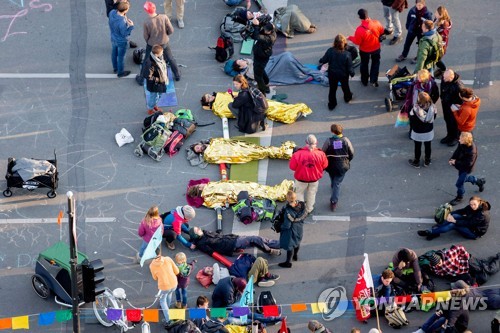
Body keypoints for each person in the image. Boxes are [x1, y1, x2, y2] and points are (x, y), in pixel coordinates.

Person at [418, 196, 490, 240]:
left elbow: (469, 224)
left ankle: (431, 232)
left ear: (479, 203)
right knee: (455, 216)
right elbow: (461, 211)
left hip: (474, 232)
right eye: (471, 204)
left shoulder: (482, 214)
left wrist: (455, 221)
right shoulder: (471, 207)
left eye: (474, 204)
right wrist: (450, 214)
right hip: (469, 222)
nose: (472, 206)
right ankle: (437, 231)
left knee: (453, 225)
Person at [289, 134, 328, 214]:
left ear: (306, 142)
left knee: (299, 193)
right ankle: (309, 209)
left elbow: (292, 167)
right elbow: (325, 165)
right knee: (311, 194)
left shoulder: (297, 154)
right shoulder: (321, 154)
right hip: (314, 179)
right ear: (316, 143)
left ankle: (301, 208)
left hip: (301, 179)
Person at [143, 1, 181, 81]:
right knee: (170, 58)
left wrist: (149, 42)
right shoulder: (164, 17)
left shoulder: (146, 22)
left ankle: (141, 78)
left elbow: (146, 36)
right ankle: (177, 75)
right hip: (164, 42)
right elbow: (171, 30)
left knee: (146, 60)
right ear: (155, 8)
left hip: (152, 44)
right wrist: (165, 35)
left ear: (146, 11)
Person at [322, 124, 354, 211]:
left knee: (333, 178)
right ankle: (333, 201)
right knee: (337, 183)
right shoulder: (346, 140)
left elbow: (323, 153)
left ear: (332, 132)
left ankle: (333, 186)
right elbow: (351, 153)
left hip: (330, 166)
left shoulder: (328, 141)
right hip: (342, 166)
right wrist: (347, 161)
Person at [348, 9, 384, 87]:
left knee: (364, 64)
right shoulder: (376, 23)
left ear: (359, 17)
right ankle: (373, 80)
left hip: (365, 50)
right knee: (375, 63)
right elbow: (381, 32)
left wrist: (350, 38)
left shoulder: (360, 29)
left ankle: (364, 80)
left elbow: (357, 42)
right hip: (376, 48)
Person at [189, 226, 282, 256]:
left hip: (231, 238)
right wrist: (195, 243)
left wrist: (193, 241)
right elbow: (211, 252)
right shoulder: (201, 243)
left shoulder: (204, 233)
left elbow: (209, 233)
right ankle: (270, 250)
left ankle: (280, 244)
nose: (200, 229)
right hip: (231, 243)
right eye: (198, 230)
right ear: (197, 234)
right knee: (255, 239)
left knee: (259, 240)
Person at [448, 132, 485, 205]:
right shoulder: (462, 143)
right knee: (463, 179)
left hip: (466, 169)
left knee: (459, 183)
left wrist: (455, 162)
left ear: (466, 141)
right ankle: (478, 181)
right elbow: (457, 151)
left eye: (461, 139)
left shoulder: (472, 151)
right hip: (461, 166)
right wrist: (452, 159)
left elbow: (468, 163)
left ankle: (459, 197)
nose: (459, 140)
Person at [319, 34, 354, 110]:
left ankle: (332, 104)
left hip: (332, 73)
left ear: (334, 42)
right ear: (344, 42)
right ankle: (347, 98)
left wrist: (321, 60)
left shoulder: (330, 51)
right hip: (343, 74)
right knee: (345, 87)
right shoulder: (347, 54)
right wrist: (352, 73)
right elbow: (349, 67)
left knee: (332, 89)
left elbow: (324, 60)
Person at [275, 190, 306, 268]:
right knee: (297, 242)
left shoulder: (288, 211)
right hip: (299, 228)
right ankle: (295, 255)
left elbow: (287, 225)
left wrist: (279, 226)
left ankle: (288, 262)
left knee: (290, 246)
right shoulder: (301, 205)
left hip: (291, 231)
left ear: (288, 199)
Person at [149, 248, 179, 324]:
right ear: (160, 252)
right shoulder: (168, 259)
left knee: (162, 301)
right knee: (169, 294)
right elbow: (177, 271)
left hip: (164, 286)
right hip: (174, 283)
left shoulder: (152, 265)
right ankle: (167, 308)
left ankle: (168, 319)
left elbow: (155, 278)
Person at [408, 92, 437, 168]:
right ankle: (427, 160)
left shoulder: (415, 109)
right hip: (428, 130)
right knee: (428, 146)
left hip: (418, 131)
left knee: (417, 147)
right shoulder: (433, 107)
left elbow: (411, 120)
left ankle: (416, 161)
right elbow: (434, 117)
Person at [108, 1, 134, 77]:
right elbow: (124, 33)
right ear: (125, 10)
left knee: (114, 53)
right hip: (121, 41)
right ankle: (120, 72)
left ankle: (115, 68)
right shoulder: (122, 22)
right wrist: (131, 26)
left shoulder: (112, 12)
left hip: (113, 37)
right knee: (121, 57)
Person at [141, 45, 168, 115]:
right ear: (156, 54)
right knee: (154, 97)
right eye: (161, 52)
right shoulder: (150, 63)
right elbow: (147, 76)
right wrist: (158, 79)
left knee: (159, 95)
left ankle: (154, 106)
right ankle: (150, 109)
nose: (163, 53)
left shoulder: (159, 58)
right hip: (154, 85)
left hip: (161, 82)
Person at [440, 69, 464, 146]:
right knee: (447, 120)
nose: (443, 79)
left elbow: (462, 99)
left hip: (454, 107)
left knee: (454, 123)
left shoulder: (458, 86)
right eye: (443, 77)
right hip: (446, 104)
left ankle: (455, 138)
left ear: (451, 78)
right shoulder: (445, 78)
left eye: (445, 78)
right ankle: (449, 135)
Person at [252, 21, 277, 94]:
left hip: (261, 56)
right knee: (260, 70)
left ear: (270, 31)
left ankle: (262, 90)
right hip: (260, 54)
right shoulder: (270, 33)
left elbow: (256, 36)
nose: (264, 31)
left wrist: (256, 26)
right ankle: (266, 82)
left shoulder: (269, 38)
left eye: (266, 30)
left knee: (257, 75)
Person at [433, 6, 452, 75]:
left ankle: (443, 69)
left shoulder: (443, 28)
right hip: (436, 43)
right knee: (436, 59)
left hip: (439, 47)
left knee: (437, 59)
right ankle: (442, 69)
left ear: (441, 15)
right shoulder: (437, 19)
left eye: (436, 13)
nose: (435, 14)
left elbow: (443, 40)